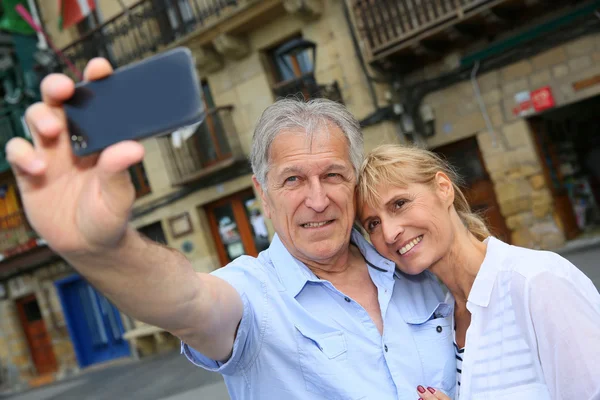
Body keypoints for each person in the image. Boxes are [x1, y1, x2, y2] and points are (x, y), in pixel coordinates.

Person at [6, 58, 456, 399]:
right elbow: (186, 302)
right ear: (263, 193)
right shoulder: (252, 294)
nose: (317, 199)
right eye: (293, 180)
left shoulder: (411, 260)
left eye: (333, 175)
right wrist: (104, 248)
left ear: (354, 180)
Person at [357, 144, 600, 400]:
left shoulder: (537, 281)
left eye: (399, 203)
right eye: (373, 224)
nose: (389, 232)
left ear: (443, 188)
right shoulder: (442, 322)